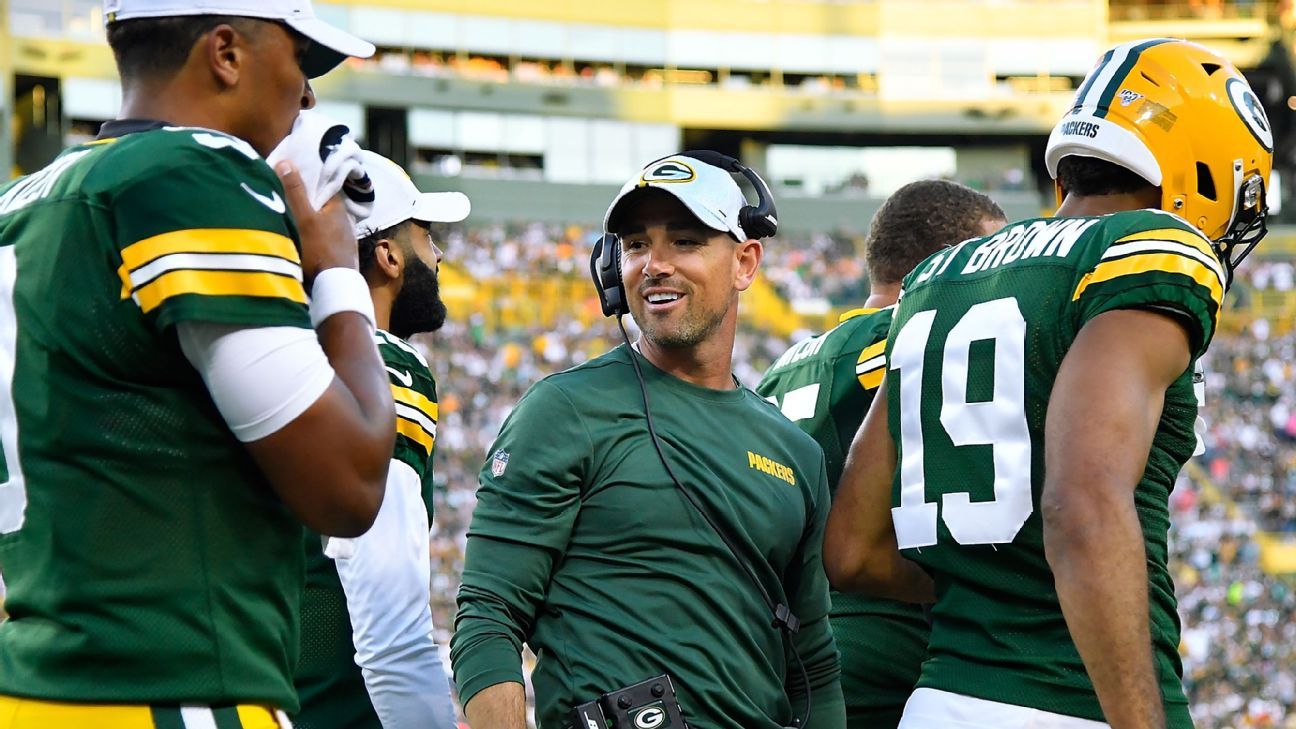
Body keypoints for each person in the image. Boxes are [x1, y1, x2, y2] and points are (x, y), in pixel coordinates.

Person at [824, 39, 1272, 729]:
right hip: (1072, 701)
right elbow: (1081, 504)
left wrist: (994, 576)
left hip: (939, 700)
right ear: (1204, 165)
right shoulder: (1147, 247)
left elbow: (852, 549)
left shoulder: (938, 278)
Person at [0, 2, 393, 727]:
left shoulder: (25, 198)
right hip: (168, 690)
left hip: (34, 689)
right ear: (225, 53)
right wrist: (338, 273)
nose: (307, 95)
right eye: (300, 61)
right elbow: (350, 484)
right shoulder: (192, 173)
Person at [451, 152, 845, 729]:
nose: (654, 265)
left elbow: (814, 666)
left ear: (745, 262)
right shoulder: (563, 411)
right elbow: (488, 615)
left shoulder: (795, 452)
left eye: (685, 241)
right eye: (635, 246)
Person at [757, 180, 1005, 729]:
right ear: (949, 265)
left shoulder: (786, 365)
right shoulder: (926, 337)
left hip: (785, 655)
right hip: (890, 660)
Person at [294, 151, 469, 729]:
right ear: (388, 255)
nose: (437, 253)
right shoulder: (385, 366)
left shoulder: (272, 355)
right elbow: (391, 631)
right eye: (425, 235)